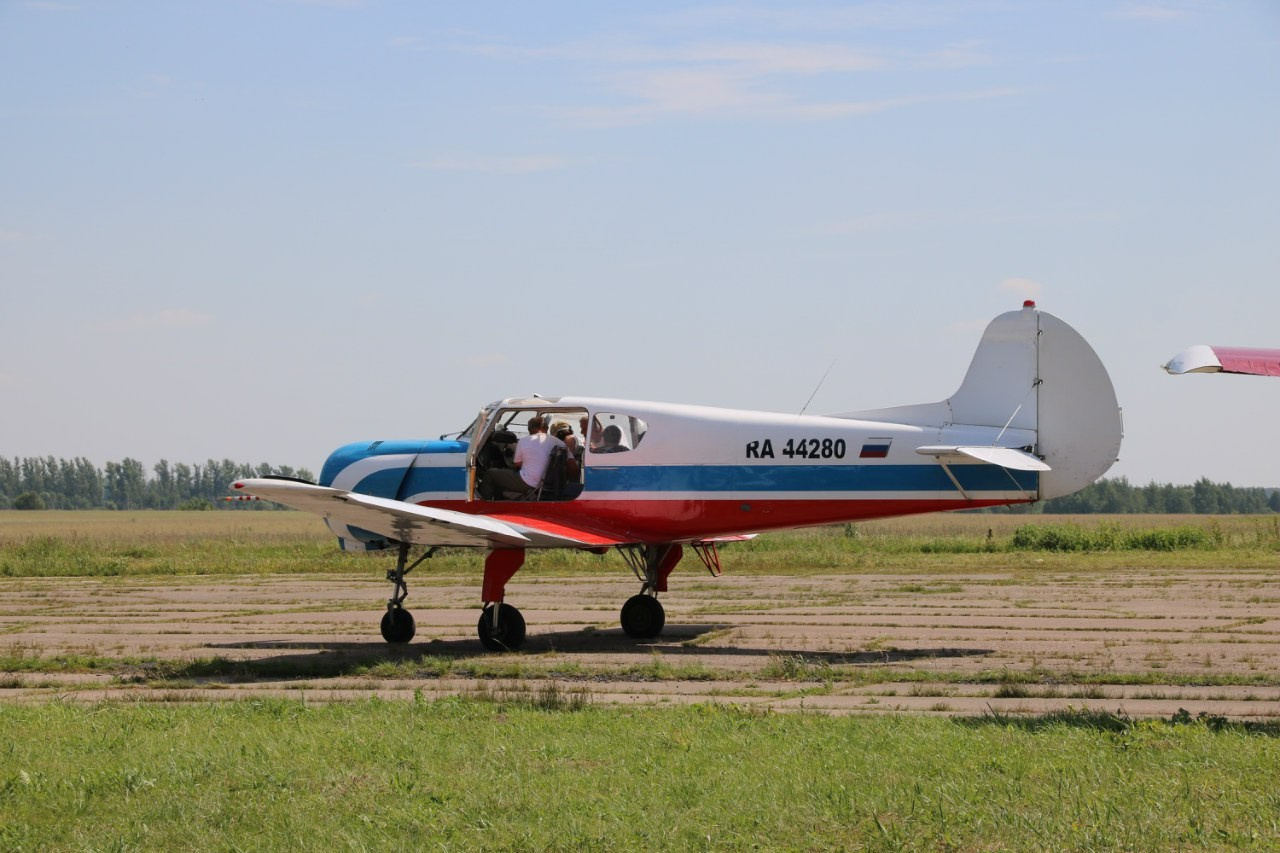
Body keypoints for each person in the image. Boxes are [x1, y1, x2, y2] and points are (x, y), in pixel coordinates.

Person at [484, 415, 568, 498]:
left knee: (490, 474)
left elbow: (517, 465)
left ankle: (483, 506)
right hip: (552, 485)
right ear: (546, 428)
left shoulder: (523, 441)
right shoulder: (560, 443)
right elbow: (572, 465)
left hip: (528, 482)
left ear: (529, 429)